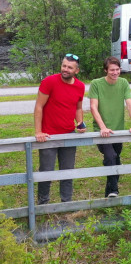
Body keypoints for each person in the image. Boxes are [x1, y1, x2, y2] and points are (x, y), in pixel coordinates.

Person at [34, 53, 86, 205]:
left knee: (67, 171)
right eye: (64, 66)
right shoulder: (49, 81)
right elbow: (39, 107)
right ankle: (43, 204)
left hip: (68, 134)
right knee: (46, 171)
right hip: (48, 135)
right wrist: (38, 132)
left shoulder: (80, 86)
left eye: (70, 67)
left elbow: (78, 108)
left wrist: (80, 123)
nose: (65, 69)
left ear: (76, 71)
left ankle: (66, 203)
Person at [89, 56, 131, 198]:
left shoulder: (123, 83)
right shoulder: (96, 84)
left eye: (117, 69)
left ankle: (109, 194)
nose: (115, 72)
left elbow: (130, 104)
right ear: (106, 70)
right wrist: (102, 127)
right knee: (110, 156)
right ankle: (114, 190)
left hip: (119, 130)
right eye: (112, 70)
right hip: (102, 131)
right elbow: (93, 107)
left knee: (115, 159)